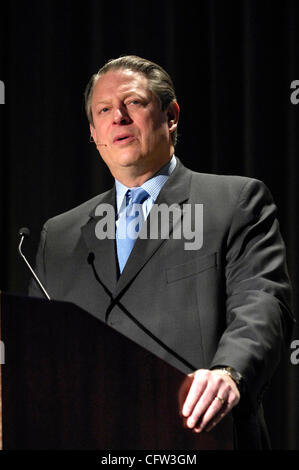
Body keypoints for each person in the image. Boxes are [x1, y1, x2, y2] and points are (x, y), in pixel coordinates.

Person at [29, 55, 293, 449]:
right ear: (93, 132)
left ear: (171, 116)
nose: (117, 116)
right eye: (103, 110)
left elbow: (262, 302)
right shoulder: (61, 235)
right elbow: (35, 352)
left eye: (133, 102)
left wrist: (229, 372)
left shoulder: (233, 201)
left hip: (199, 436)